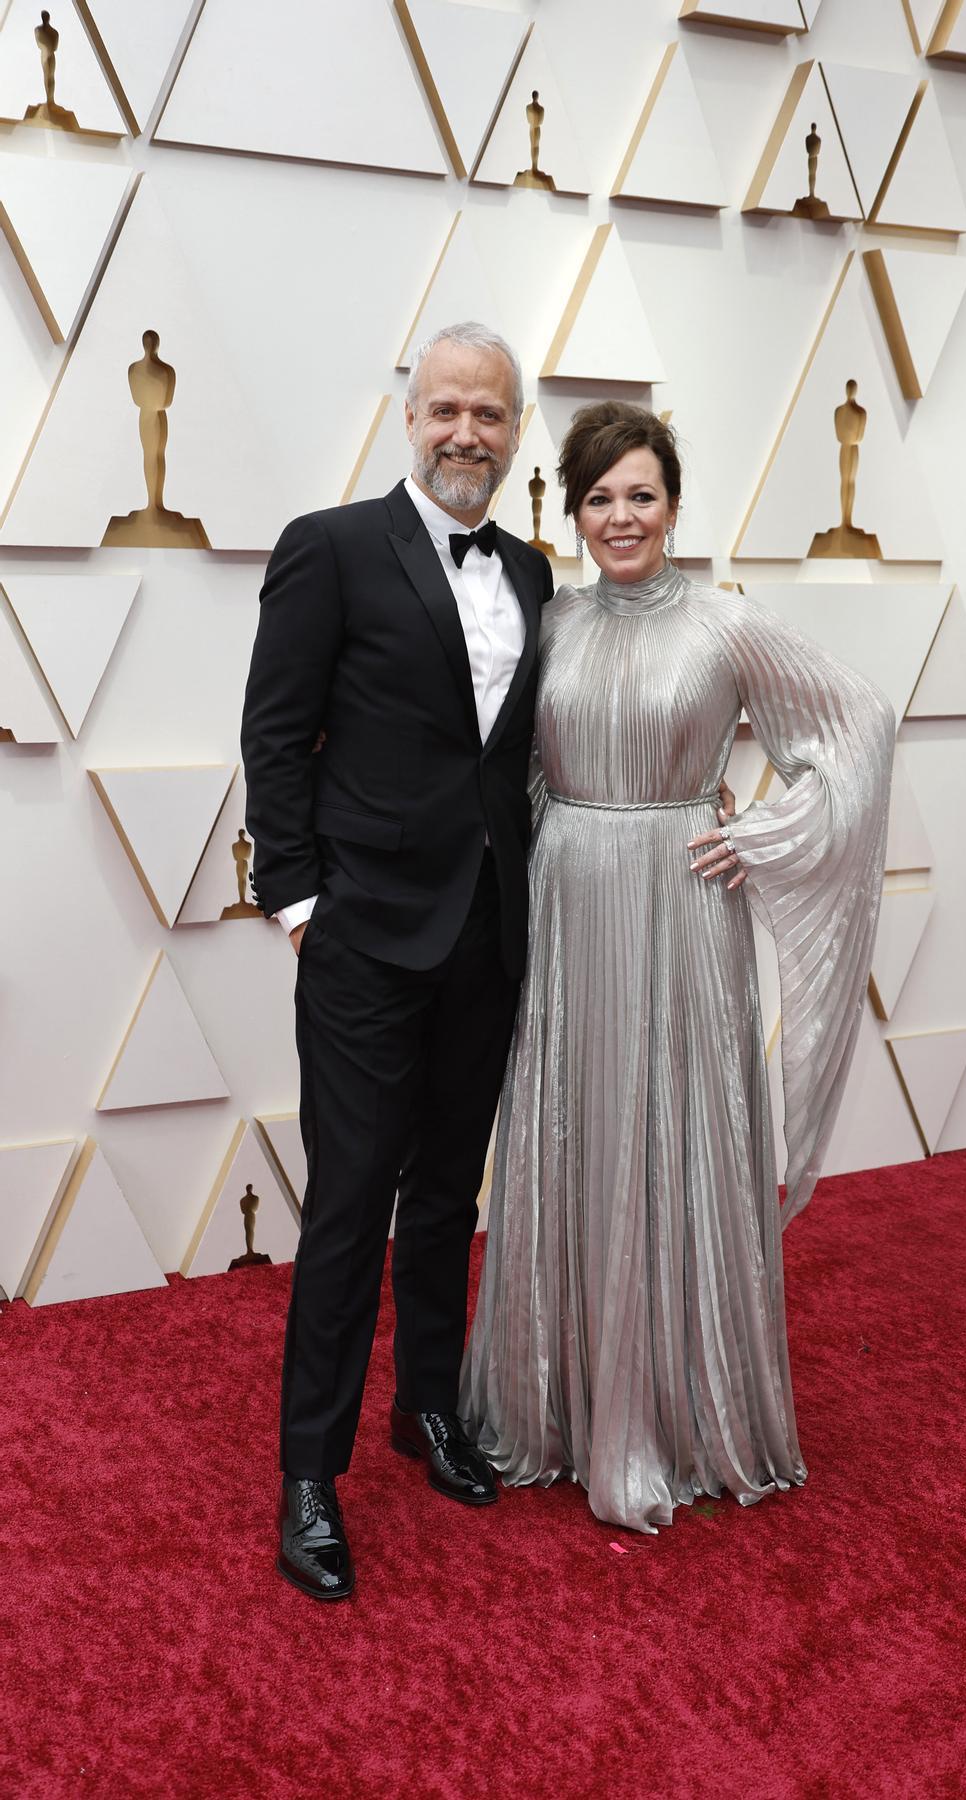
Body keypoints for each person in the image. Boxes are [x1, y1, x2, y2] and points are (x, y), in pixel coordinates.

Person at [461, 402, 895, 1534]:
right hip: (568, 904)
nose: (622, 517)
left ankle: (675, 1412)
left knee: (673, 1128)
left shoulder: (724, 623)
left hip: (684, 903)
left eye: (641, 495)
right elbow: (512, 767)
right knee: (576, 1127)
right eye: (599, 497)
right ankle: (560, 1407)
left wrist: (766, 834)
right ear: (573, 510)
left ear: (674, 505)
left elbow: (860, 721)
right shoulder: (550, 622)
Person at [241, 322, 552, 1600]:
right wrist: (299, 908)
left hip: (487, 933)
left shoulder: (533, 571)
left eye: (491, 413)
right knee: (350, 1202)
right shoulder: (328, 547)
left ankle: (427, 1405)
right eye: (447, 410)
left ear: (515, 430)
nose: (467, 432)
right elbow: (274, 734)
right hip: (362, 937)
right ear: (409, 417)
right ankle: (308, 1476)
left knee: (445, 1196)